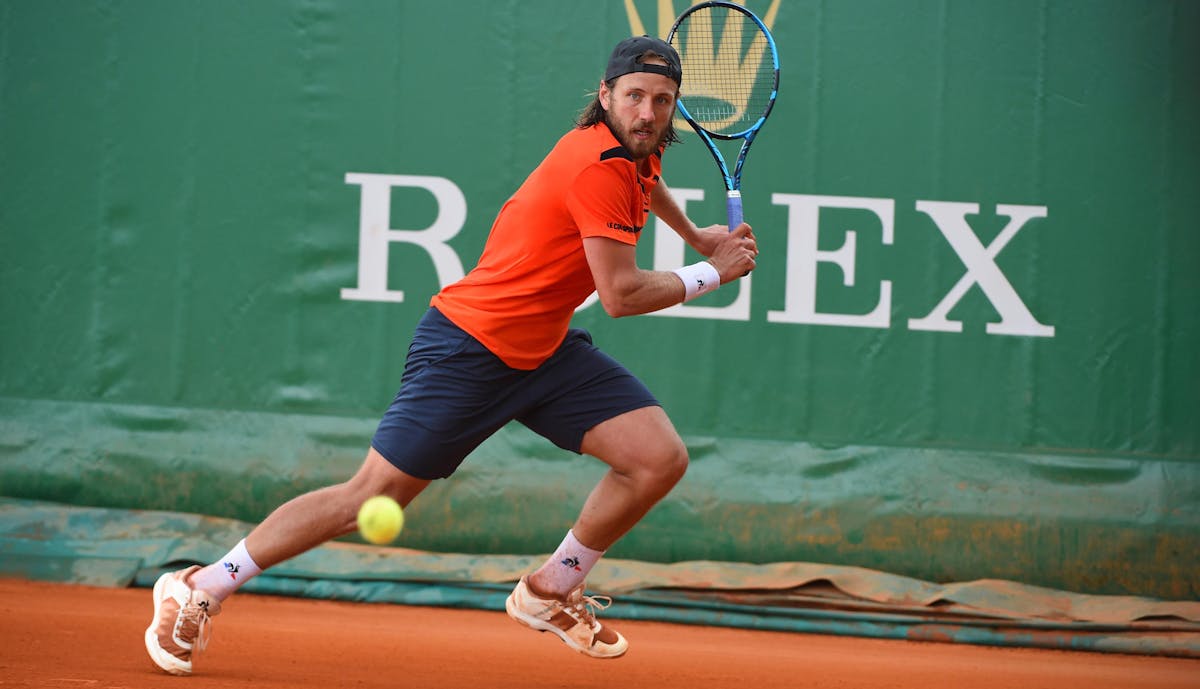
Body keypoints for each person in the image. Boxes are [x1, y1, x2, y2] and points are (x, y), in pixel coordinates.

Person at [144, 34, 759, 675]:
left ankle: (550, 590)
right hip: (468, 347)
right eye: (634, 96)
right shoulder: (595, 165)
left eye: (661, 101)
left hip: (543, 349)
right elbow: (621, 295)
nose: (647, 112)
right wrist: (711, 271)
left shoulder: (636, 149)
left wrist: (693, 233)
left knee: (657, 459)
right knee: (368, 498)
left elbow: (649, 179)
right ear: (605, 95)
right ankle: (199, 585)